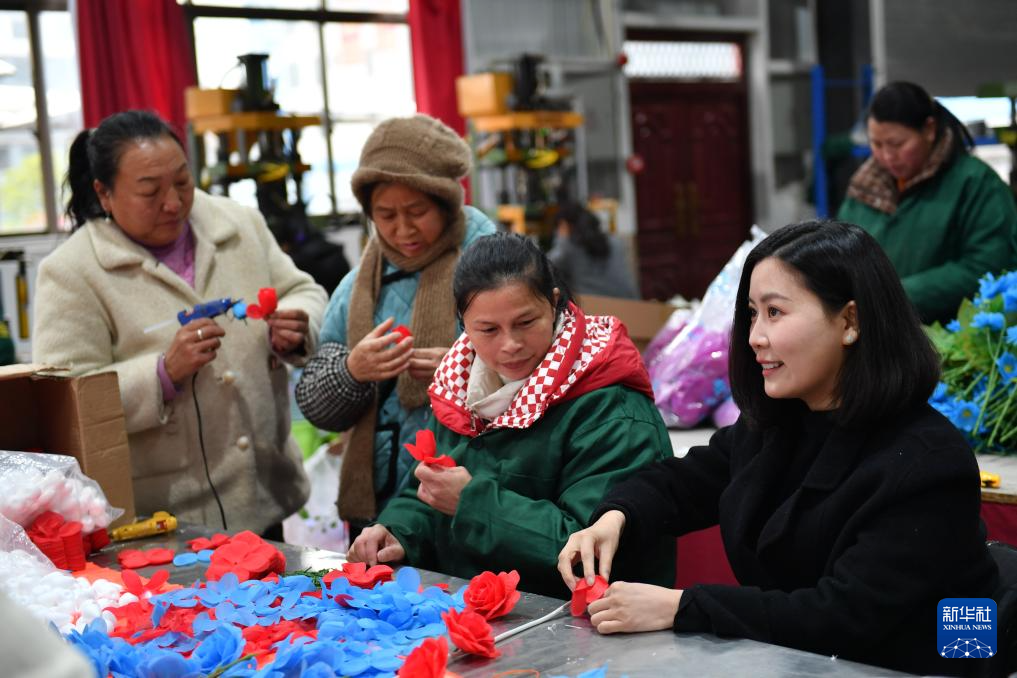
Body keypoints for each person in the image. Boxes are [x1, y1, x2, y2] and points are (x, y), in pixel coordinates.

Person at [557, 220, 1000, 676]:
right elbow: (684, 481)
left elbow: (843, 616)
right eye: (752, 313)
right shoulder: (781, 422)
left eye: (775, 313)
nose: (754, 338)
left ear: (849, 321)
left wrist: (681, 606)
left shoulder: (928, 463)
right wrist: (616, 516)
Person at [33, 110, 327, 536]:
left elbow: (304, 291)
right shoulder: (73, 271)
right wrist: (161, 374)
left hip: (264, 489)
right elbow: (64, 401)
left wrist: (299, 324)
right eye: (150, 192)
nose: (173, 203)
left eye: (182, 182)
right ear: (104, 193)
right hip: (161, 515)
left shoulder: (238, 225)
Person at [347, 233, 676, 598]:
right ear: (463, 323)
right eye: (488, 330)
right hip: (478, 608)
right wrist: (396, 531)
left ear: (553, 304)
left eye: (525, 322)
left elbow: (592, 550)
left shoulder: (611, 409)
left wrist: (472, 502)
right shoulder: (459, 390)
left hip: (582, 621)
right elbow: (427, 491)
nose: (510, 345)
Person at [295, 114, 497, 532]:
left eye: (416, 211)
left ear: (445, 202)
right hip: (383, 500)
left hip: (481, 488)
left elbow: (549, 372)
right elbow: (315, 404)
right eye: (385, 215)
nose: (402, 229)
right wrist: (352, 372)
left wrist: (465, 368)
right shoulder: (357, 286)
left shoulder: (498, 268)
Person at [837, 80, 1017, 324]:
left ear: (930, 130)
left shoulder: (975, 184)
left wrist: (895, 294)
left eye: (897, 144)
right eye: (877, 144)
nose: (887, 156)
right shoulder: (865, 188)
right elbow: (840, 254)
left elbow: (988, 265)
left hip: (947, 335)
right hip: (876, 331)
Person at [548, 202, 639, 299]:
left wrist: (562, 238)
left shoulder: (569, 247)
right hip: (630, 303)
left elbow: (543, 267)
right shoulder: (615, 241)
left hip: (595, 307)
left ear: (564, 225)